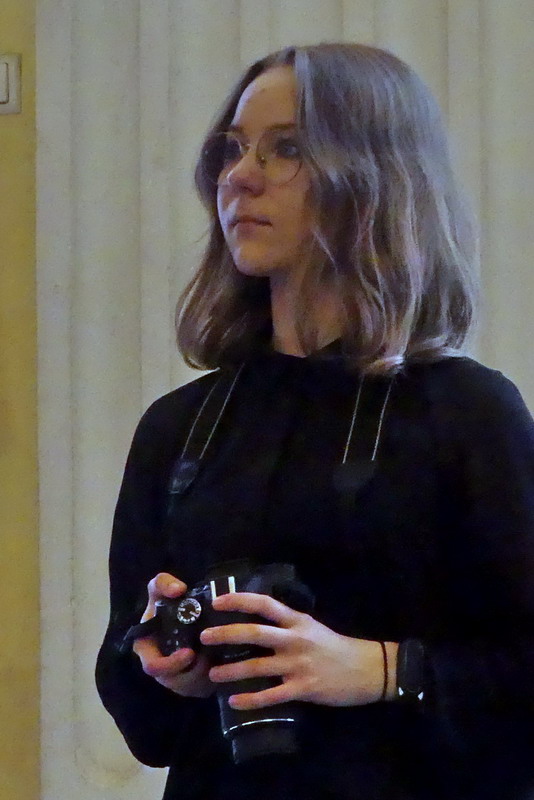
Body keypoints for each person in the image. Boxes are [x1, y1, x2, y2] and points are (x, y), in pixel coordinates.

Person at [95, 43, 534, 800]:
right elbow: (144, 726)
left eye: (288, 148)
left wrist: (381, 670)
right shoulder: (179, 429)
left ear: (375, 178)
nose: (239, 176)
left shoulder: (468, 415)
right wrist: (167, 664)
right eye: (233, 149)